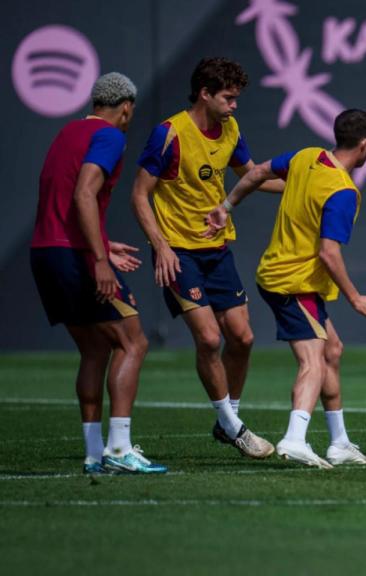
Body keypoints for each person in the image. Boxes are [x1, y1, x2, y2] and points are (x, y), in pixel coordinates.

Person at [205, 109, 366, 468]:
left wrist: (226, 206)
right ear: (365, 145)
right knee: (313, 360)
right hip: (292, 282)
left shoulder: (307, 156)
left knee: (332, 350)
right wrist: (355, 297)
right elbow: (329, 253)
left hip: (285, 276)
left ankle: (339, 442)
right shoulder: (344, 191)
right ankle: (295, 438)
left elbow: (256, 172)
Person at [131, 57, 278, 459]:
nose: (234, 106)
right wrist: (160, 245)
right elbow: (139, 194)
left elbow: (251, 173)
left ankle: (226, 419)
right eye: (228, 98)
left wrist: (308, 184)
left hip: (217, 250)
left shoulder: (229, 129)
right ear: (205, 94)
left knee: (243, 338)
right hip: (178, 251)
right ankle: (234, 427)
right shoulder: (169, 134)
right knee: (210, 338)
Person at [30, 72, 166, 474]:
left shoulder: (67, 133)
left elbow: (62, 202)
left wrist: (103, 244)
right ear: (126, 107)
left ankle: (94, 454)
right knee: (134, 342)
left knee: (95, 348)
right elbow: (84, 193)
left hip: (47, 254)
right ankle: (120, 449)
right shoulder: (110, 137)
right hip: (76, 257)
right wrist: (100, 260)